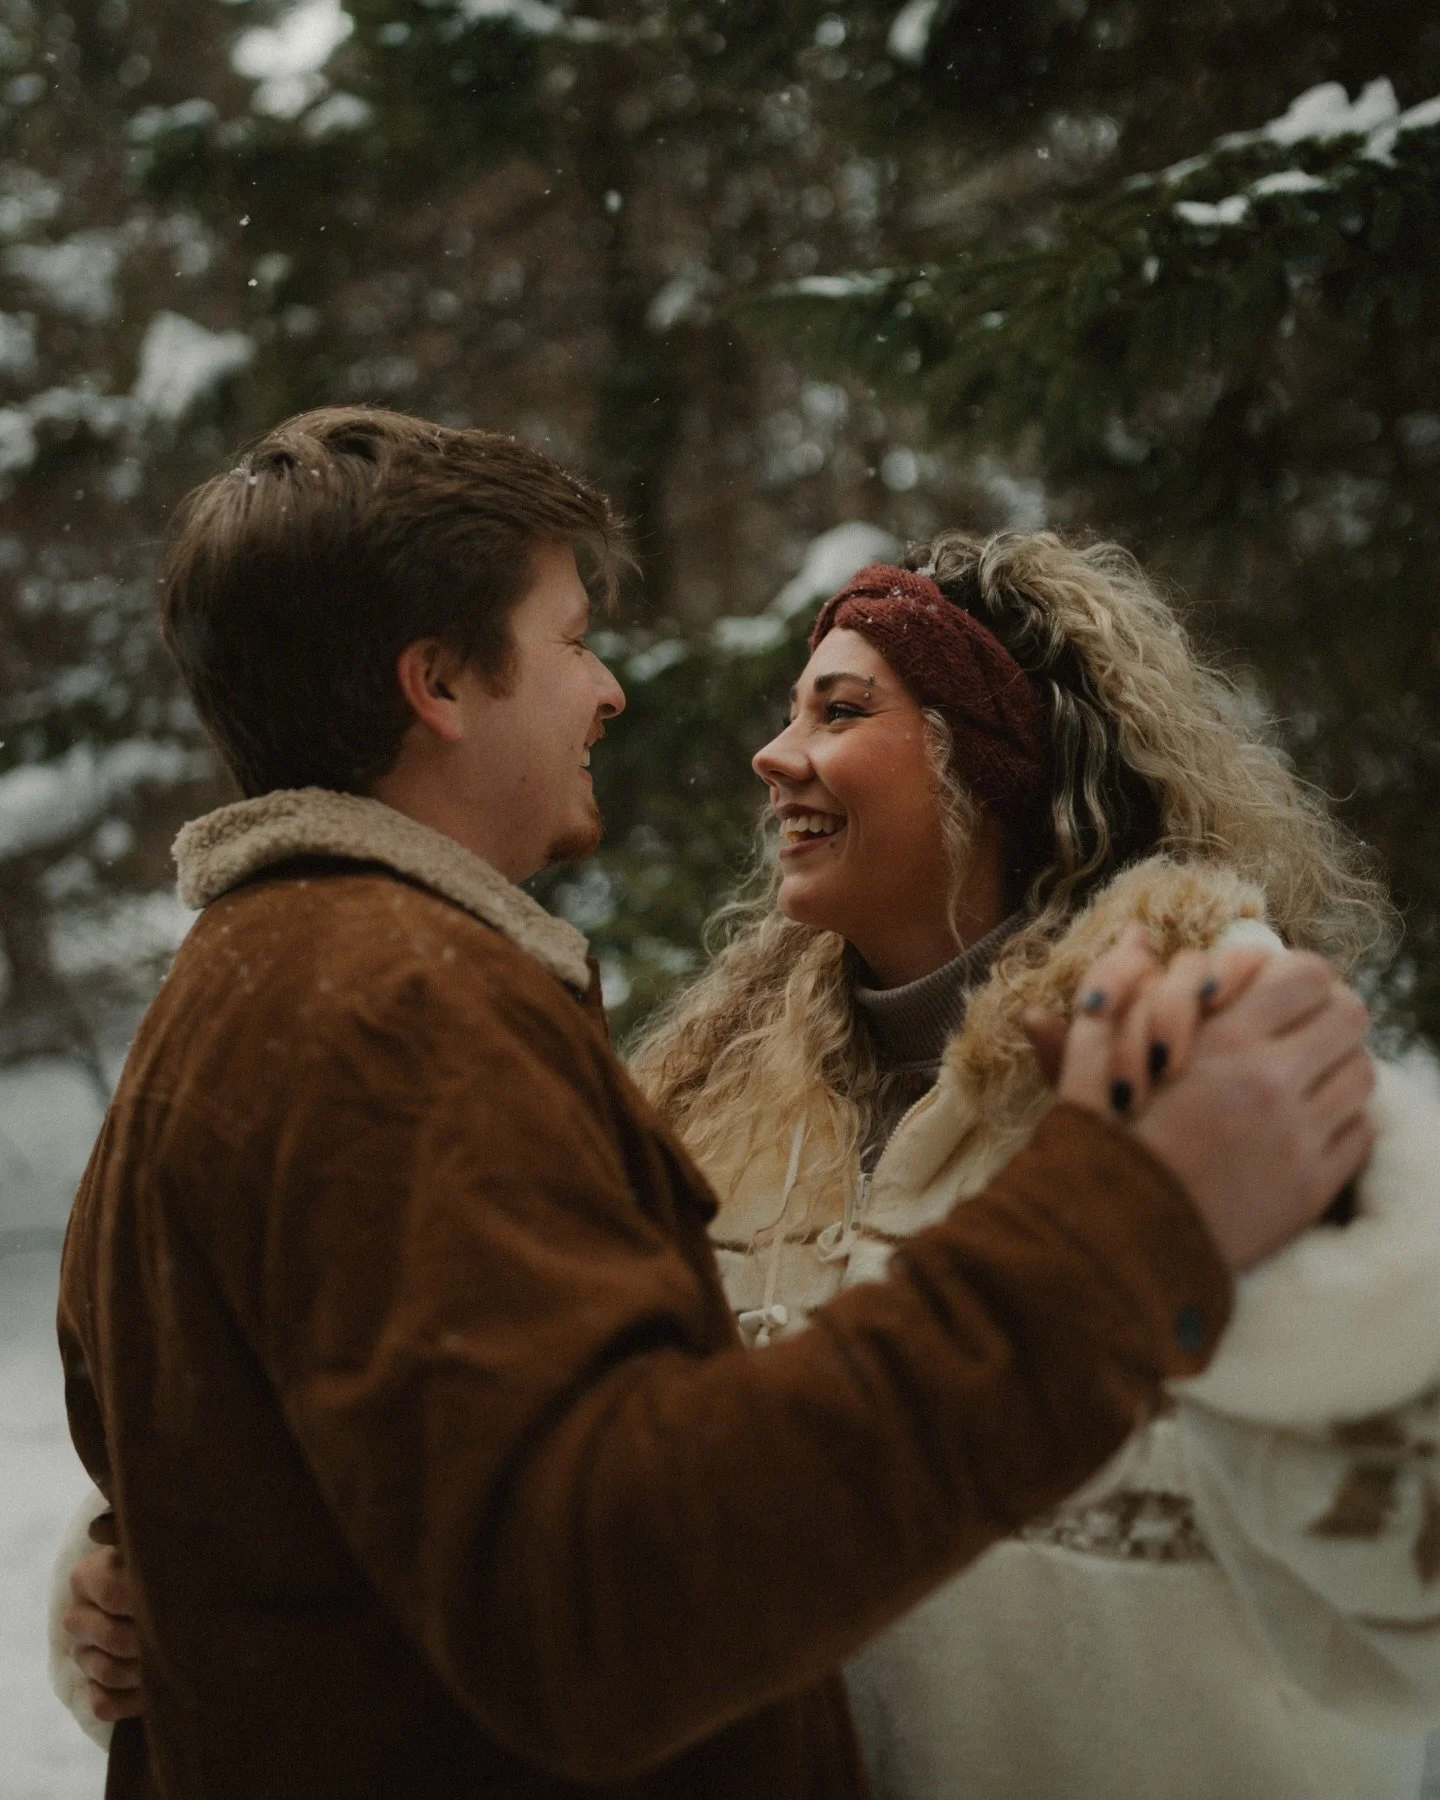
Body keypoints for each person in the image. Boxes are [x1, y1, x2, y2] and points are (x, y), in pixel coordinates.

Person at [52, 407, 1374, 1799]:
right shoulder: (402, 1011)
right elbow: (601, 1597)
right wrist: (1117, 1233)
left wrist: (184, 1594)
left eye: (841, 706)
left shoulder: (272, 983)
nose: (612, 690)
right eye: (570, 637)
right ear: (438, 682)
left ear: (996, 763)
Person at [624, 542, 1440, 1799]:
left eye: (839, 710)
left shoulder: (1221, 1060)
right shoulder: (720, 1120)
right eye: (790, 711)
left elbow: (1408, 1586)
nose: (773, 755)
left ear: (997, 764)